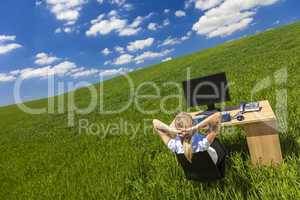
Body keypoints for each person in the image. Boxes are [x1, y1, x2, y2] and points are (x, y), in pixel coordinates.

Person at [152, 112, 222, 164]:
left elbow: (155, 122)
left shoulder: (174, 145)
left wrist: (172, 131)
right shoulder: (202, 144)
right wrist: (195, 128)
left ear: (176, 128)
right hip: (211, 166)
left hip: (193, 173)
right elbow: (218, 116)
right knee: (217, 143)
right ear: (193, 124)